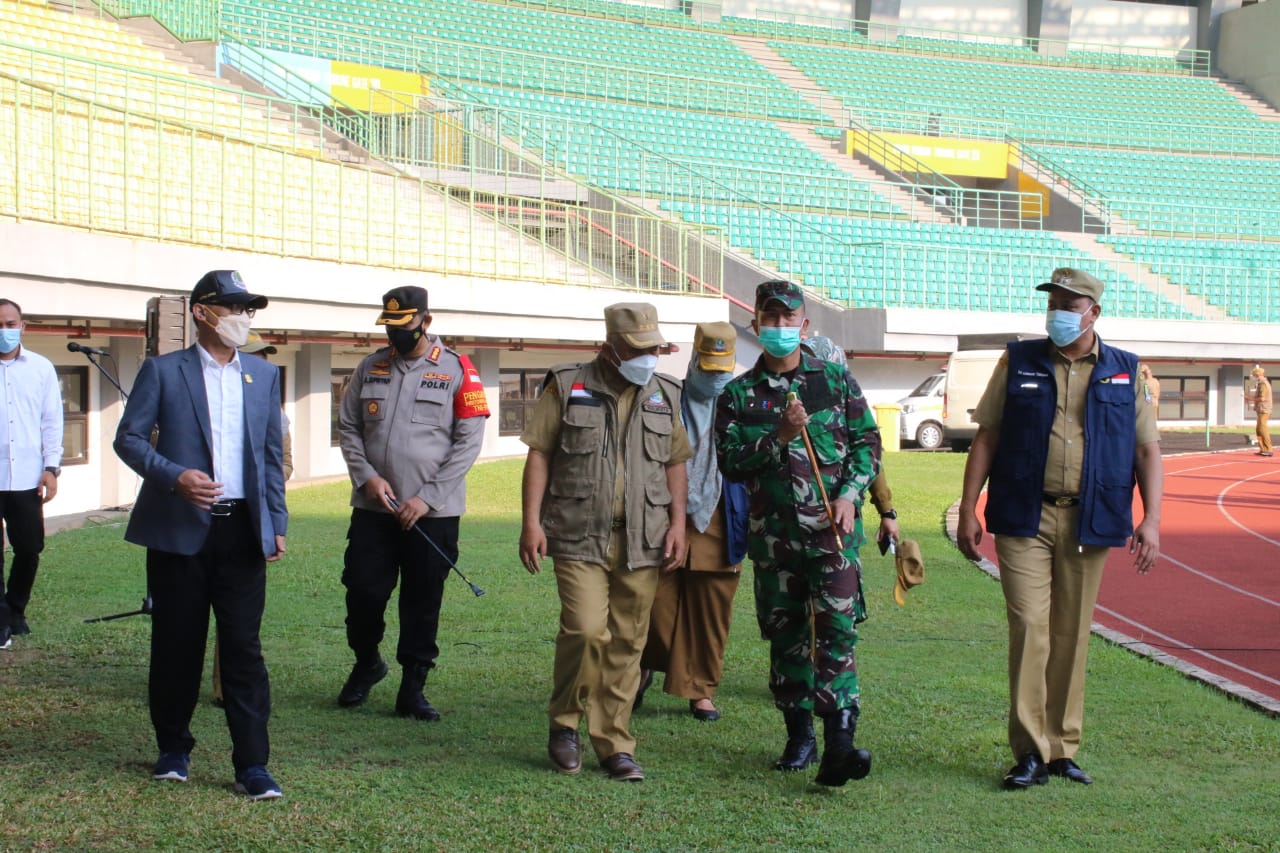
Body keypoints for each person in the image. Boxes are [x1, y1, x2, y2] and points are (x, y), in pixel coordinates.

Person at [956, 268, 1162, 790]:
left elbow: (1145, 449)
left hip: (1090, 518)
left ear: (1094, 312)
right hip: (1024, 515)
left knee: (1071, 634)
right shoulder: (1019, 360)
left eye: (1071, 305)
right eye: (1054, 303)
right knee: (1030, 625)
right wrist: (966, 508)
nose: (1059, 313)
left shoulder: (1124, 369)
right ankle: (1028, 749)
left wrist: (1152, 519)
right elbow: (987, 437)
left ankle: (1061, 748)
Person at [113, 270, 288, 800]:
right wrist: (174, 476)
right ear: (201, 312)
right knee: (176, 645)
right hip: (178, 531)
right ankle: (173, 749)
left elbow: (270, 458)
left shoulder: (262, 375)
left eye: (247, 310)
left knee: (243, 648)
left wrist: (276, 522)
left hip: (241, 532)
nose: (241, 319)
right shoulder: (163, 372)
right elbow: (129, 439)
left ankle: (252, 764)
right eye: (232, 308)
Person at [715, 280, 882, 787]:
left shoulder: (835, 381)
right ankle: (798, 737)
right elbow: (730, 463)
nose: (782, 327)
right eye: (772, 317)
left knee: (836, 632)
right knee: (786, 635)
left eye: (791, 319)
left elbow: (867, 446)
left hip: (832, 535)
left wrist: (851, 494)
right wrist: (779, 436)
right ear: (757, 324)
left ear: (804, 325)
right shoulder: (738, 394)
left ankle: (840, 743)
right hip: (775, 538)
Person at [519, 302, 691, 782]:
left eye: (654, 347)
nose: (649, 357)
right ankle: (565, 724)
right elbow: (540, 455)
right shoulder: (568, 385)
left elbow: (675, 463)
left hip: (644, 536)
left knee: (628, 641)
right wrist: (531, 522)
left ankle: (615, 744)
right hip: (577, 532)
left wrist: (678, 524)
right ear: (609, 348)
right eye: (638, 349)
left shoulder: (665, 392)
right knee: (586, 630)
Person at [336, 286, 489, 721]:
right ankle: (368, 663)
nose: (397, 335)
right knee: (363, 591)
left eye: (405, 326)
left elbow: (468, 442)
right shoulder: (371, 367)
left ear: (427, 320)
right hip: (374, 509)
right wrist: (367, 478)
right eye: (390, 327)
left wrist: (427, 497)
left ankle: (413, 687)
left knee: (422, 600)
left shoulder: (460, 370)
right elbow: (348, 427)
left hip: (432, 515)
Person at [636, 321, 747, 723]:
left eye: (724, 371)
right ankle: (645, 665)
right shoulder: (662, 394)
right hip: (661, 510)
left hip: (722, 511)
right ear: (694, 360)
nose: (717, 378)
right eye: (709, 368)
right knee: (654, 601)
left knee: (711, 605)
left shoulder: (742, 400)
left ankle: (700, 690)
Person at [208, 331, 293, 708]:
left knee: (239, 620)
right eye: (256, 355)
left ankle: (230, 686)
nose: (264, 363)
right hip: (201, 516)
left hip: (248, 516)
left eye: (266, 356)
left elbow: (282, 463)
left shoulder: (275, 410)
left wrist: (263, 490)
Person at [0, 298, 63, 650]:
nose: (5, 330)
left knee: (29, 548)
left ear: (22, 326)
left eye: (11, 323)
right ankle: (0, 620)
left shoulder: (40, 368)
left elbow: (52, 421)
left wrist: (51, 468)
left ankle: (16, 608)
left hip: (26, 477)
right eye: (0, 324)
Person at [802, 334, 900, 549]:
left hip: (837, 520)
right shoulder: (785, 401)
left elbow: (870, 457)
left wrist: (887, 512)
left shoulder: (847, 405)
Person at [1246, 365, 1272, 457]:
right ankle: (1263, 449)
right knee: (1259, 430)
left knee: (1262, 429)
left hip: (1264, 409)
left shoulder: (1263, 384)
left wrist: (1250, 399)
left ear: (1258, 375)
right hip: (1261, 409)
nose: (1253, 377)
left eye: (1254, 375)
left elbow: (1262, 398)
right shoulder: (1261, 383)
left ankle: (1268, 449)